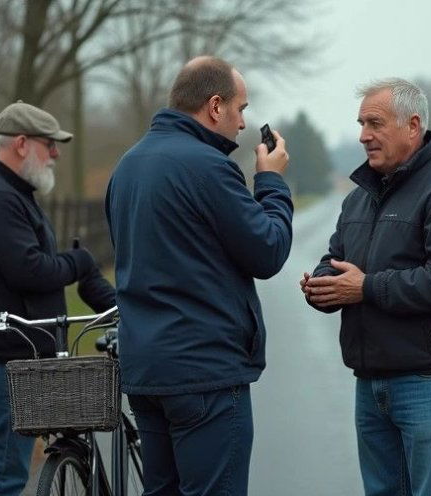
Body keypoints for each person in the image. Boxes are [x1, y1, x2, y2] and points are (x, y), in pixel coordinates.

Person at [105, 56, 292, 495]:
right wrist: (271, 183)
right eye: (240, 109)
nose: (242, 123)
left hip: (146, 371)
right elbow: (268, 250)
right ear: (215, 106)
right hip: (204, 372)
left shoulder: (127, 166)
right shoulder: (209, 167)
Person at [300, 78, 431, 496]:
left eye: (375, 123)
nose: (363, 135)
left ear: (413, 125)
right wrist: (323, 284)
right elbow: (335, 258)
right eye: (361, 124)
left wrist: (365, 288)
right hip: (371, 384)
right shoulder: (359, 197)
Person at [0, 101, 115, 496]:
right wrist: (79, 262)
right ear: (22, 144)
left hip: (14, 356)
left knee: (2, 469)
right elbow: (29, 270)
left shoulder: (14, 194)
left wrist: (81, 270)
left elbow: (34, 265)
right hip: (2, 361)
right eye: (50, 144)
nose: (56, 154)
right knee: (2, 478)